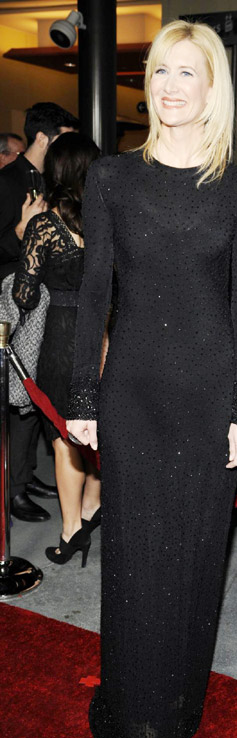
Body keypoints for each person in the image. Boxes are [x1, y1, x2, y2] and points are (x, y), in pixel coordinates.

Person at [67, 19, 237, 738]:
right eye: (160, 71)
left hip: (210, 400)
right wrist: (83, 394)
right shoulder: (112, 178)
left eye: (188, 73)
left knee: (193, 559)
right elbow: (93, 295)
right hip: (133, 396)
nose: (171, 86)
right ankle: (134, 715)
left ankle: (176, 707)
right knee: (134, 559)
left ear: (213, 88)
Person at [13, 133, 101, 566]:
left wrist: (22, 233)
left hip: (62, 338)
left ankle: (71, 532)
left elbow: (24, 296)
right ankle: (92, 506)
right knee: (100, 431)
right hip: (107, 335)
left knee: (65, 438)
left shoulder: (45, 225)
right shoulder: (110, 218)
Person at [0, 102, 78, 523]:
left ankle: (25, 477)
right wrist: (20, 234)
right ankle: (11, 490)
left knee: (33, 396)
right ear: (44, 138)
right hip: (10, 302)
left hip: (43, 300)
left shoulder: (50, 179)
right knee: (16, 397)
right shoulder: (6, 180)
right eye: (64, 138)